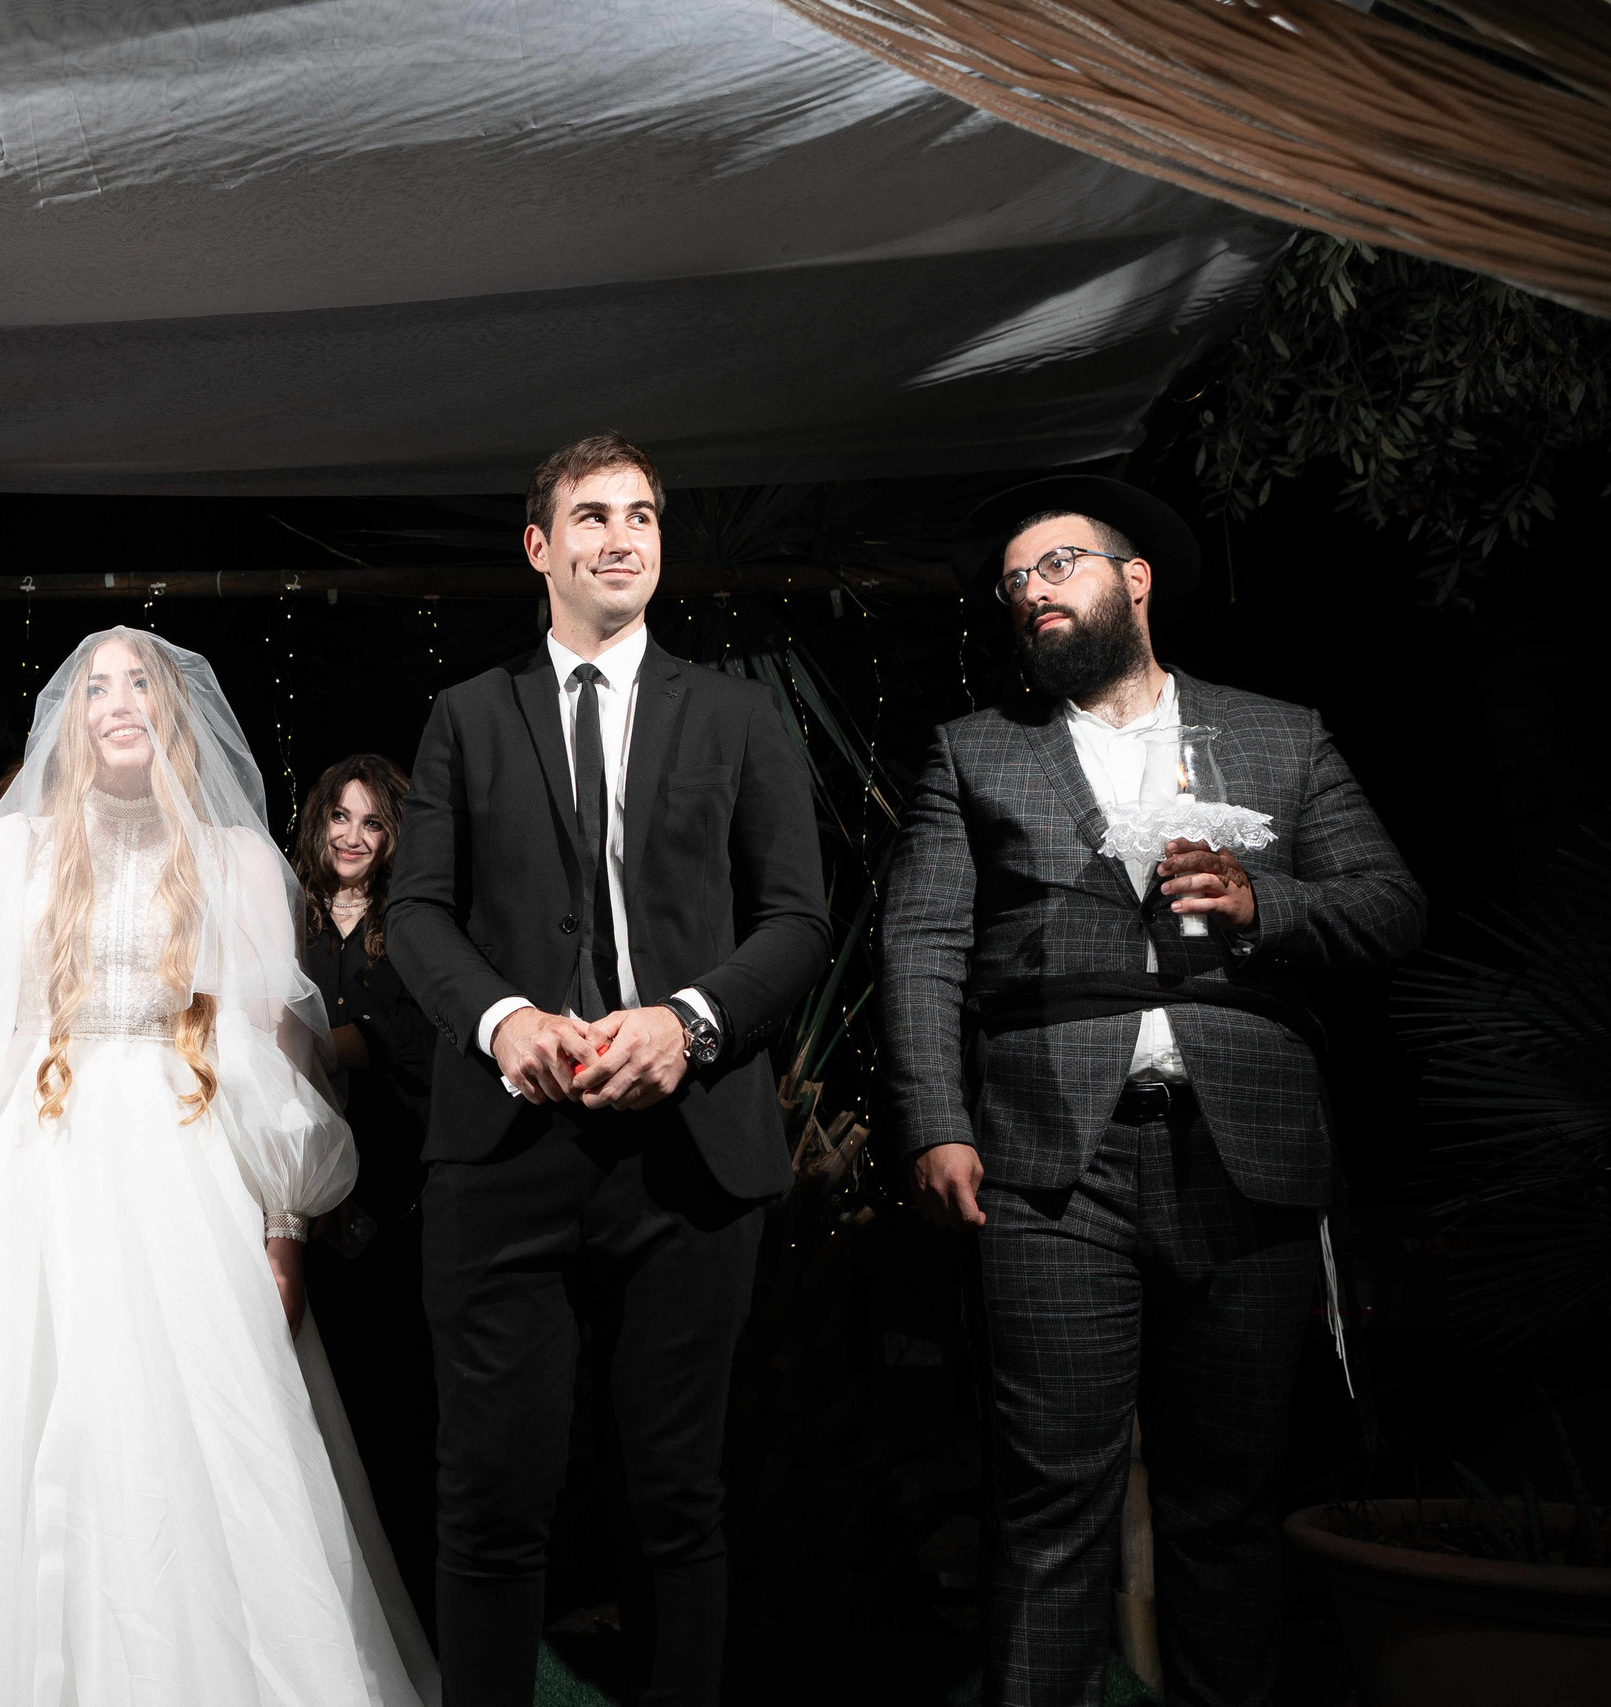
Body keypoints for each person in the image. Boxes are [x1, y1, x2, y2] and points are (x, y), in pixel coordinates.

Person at [879, 475, 1426, 1707]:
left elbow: (1391, 907)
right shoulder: (975, 751)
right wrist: (934, 1124)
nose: (1030, 591)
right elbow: (919, 946)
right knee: (1048, 1504)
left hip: (1249, 1157)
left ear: (1132, 581)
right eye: (1013, 582)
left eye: (1056, 564)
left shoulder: (1280, 735)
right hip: (1050, 1169)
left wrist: (1263, 901)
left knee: (1227, 1509)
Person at [0, 629, 439, 1706]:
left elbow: (266, 1055)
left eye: (139, 682)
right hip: (34, 1171)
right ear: (70, 719)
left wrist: (284, 1225)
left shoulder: (236, 861)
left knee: (200, 1444)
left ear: (173, 712)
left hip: (185, 1175)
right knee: (14, 1438)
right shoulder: (14, 853)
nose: (116, 700)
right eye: (95, 685)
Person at [386, 434, 830, 1707]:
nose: (621, 536)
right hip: (505, 1153)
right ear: (540, 547)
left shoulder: (738, 714)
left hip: (690, 1153)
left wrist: (688, 1023)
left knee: (675, 1498)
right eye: (591, 515)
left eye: (640, 515)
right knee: (489, 1502)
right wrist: (501, 1020)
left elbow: (796, 919)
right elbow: (416, 912)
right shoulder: (468, 714)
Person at [294, 754, 441, 1630]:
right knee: (320, 1407)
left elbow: (410, 1039)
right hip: (303, 1198)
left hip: (396, 1190)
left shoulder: (414, 923)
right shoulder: (289, 918)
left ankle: (412, 1608)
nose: (352, 836)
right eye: (339, 816)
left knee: (395, 1410)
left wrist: (306, 1038)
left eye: (373, 822)